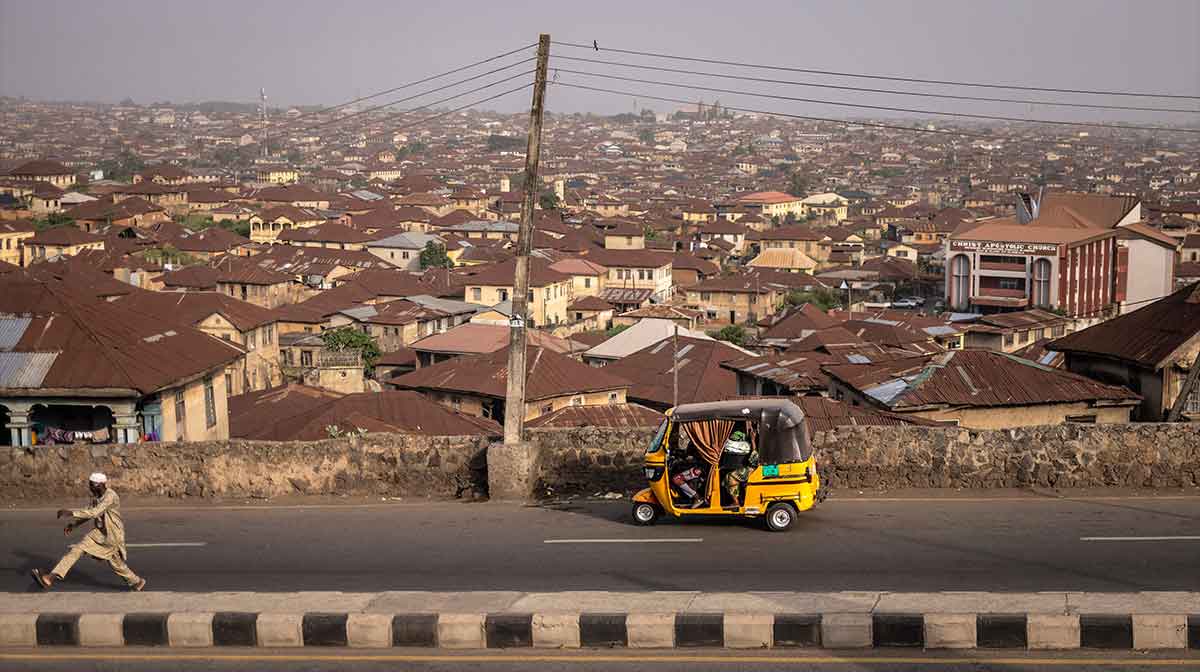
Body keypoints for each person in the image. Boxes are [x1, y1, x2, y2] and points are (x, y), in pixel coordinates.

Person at [32, 472, 146, 591]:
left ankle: (49, 578)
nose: (90, 487)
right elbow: (89, 511)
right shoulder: (96, 497)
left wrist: (71, 513)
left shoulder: (110, 496)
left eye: (91, 485)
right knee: (79, 550)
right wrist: (74, 524)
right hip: (99, 533)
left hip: (112, 535)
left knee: (114, 562)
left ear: (99, 485)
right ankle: (136, 582)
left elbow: (94, 513)